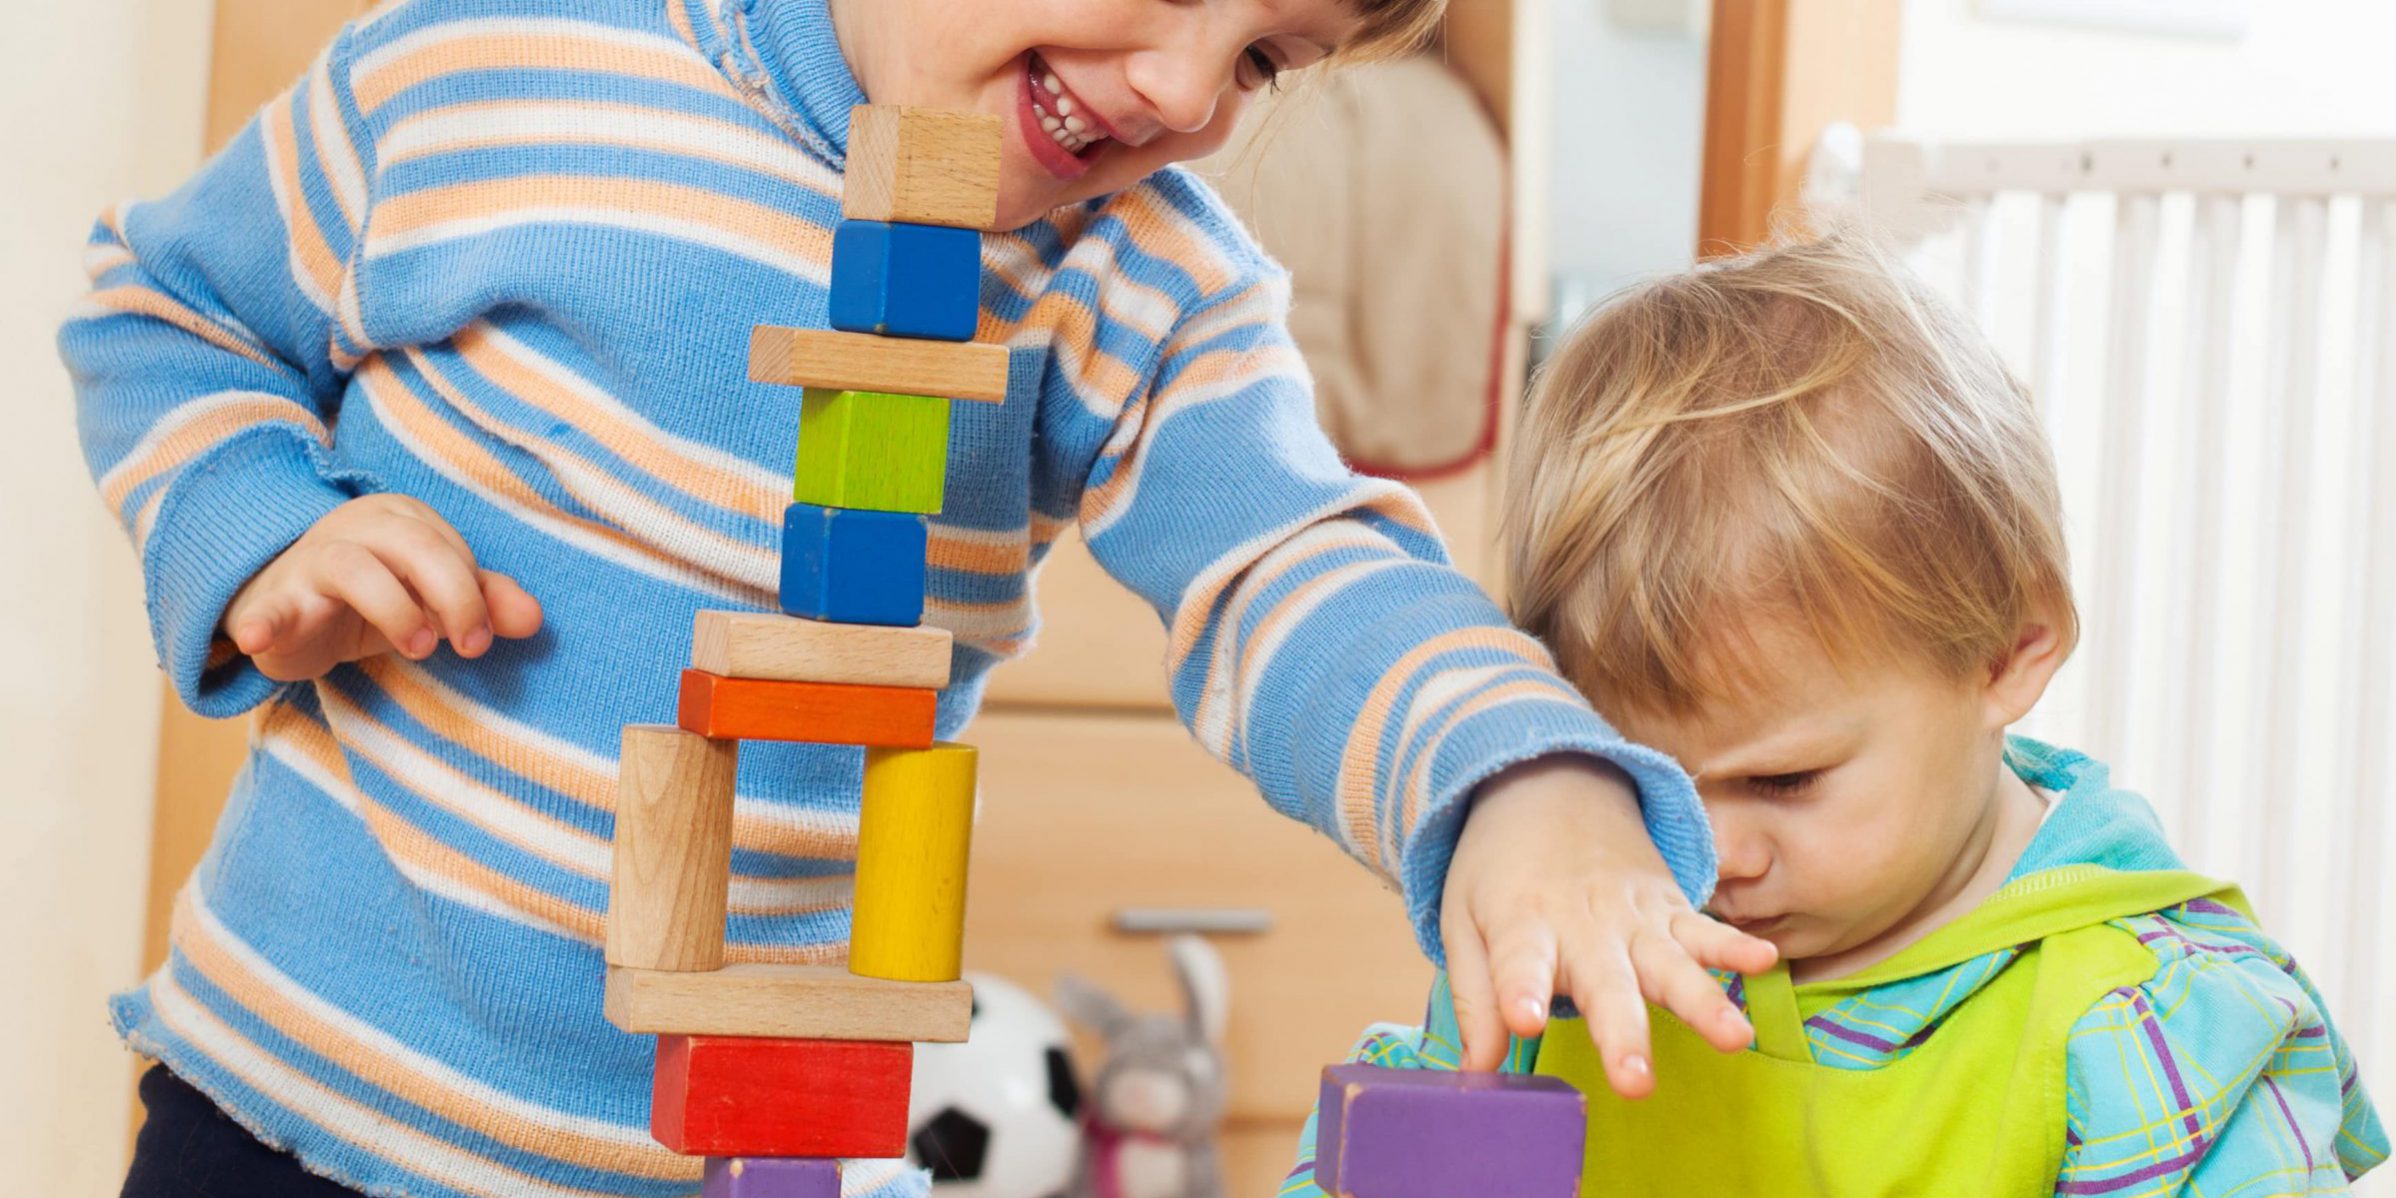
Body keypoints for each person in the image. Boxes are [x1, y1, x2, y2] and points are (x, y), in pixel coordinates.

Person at [66, 1, 1772, 1194]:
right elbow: (167, 305)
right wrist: (256, 525)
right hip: (290, 1102)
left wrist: (1523, 778)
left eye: (1269, 55)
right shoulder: (491, 67)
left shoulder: (1136, 279)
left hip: (750, 1153)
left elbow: (1294, 564)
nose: (1185, 89)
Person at [1282, 233, 2387, 1195]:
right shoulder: (1584, 920)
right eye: (1636, 775)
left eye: (1783, 780)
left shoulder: (2139, 1028)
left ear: (2007, 653)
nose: (1711, 853)